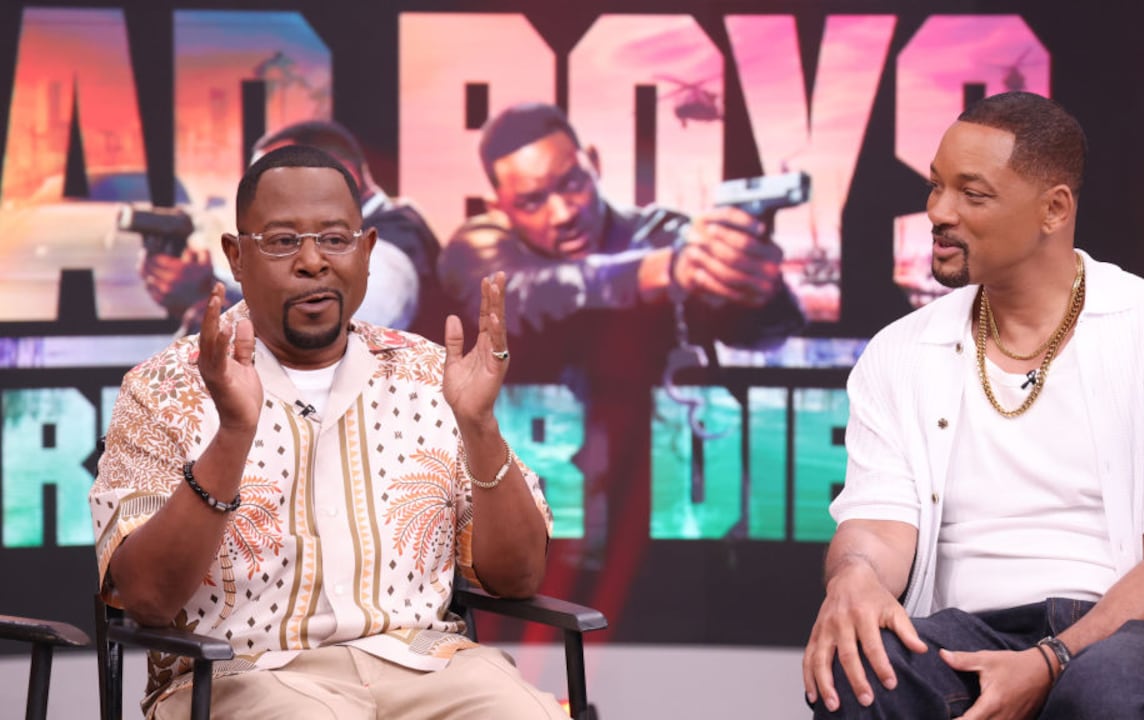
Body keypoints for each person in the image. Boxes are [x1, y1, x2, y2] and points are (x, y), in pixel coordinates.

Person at [802, 91, 1144, 719]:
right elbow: (878, 528)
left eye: (972, 194)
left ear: (1054, 209)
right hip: (966, 630)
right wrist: (854, 576)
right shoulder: (900, 351)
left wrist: (1051, 661)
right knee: (859, 674)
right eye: (935, 186)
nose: (938, 211)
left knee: (1106, 693)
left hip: (1136, 635)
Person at [91, 144, 564, 718]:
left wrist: (480, 427)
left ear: (366, 251)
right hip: (243, 674)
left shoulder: (429, 372)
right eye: (284, 241)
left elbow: (517, 578)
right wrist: (234, 434)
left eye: (335, 240)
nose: (313, 261)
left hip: (428, 666)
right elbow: (145, 598)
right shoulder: (162, 387)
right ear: (237, 258)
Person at [437, 101, 805, 611]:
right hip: (542, 542)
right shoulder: (479, 249)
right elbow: (523, 296)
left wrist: (753, 283)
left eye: (571, 183)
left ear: (594, 162)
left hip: (669, 530)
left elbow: (766, 329)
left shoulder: (662, 232)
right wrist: (658, 272)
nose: (563, 212)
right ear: (499, 204)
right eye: (533, 201)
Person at [141, 120, 442, 335]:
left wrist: (207, 303)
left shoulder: (392, 254)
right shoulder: (372, 232)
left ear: (342, 175)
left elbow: (331, 328)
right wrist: (208, 286)